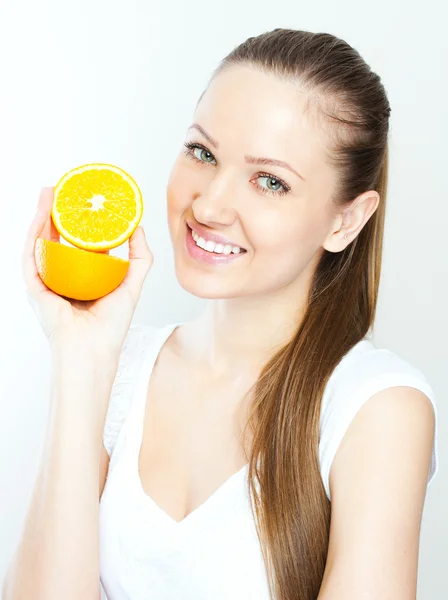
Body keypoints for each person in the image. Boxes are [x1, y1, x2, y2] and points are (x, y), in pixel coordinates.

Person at [3, 28, 438, 600]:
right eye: (202, 152)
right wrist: (80, 359)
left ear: (346, 221)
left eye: (270, 181)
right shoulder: (123, 370)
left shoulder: (375, 407)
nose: (207, 205)